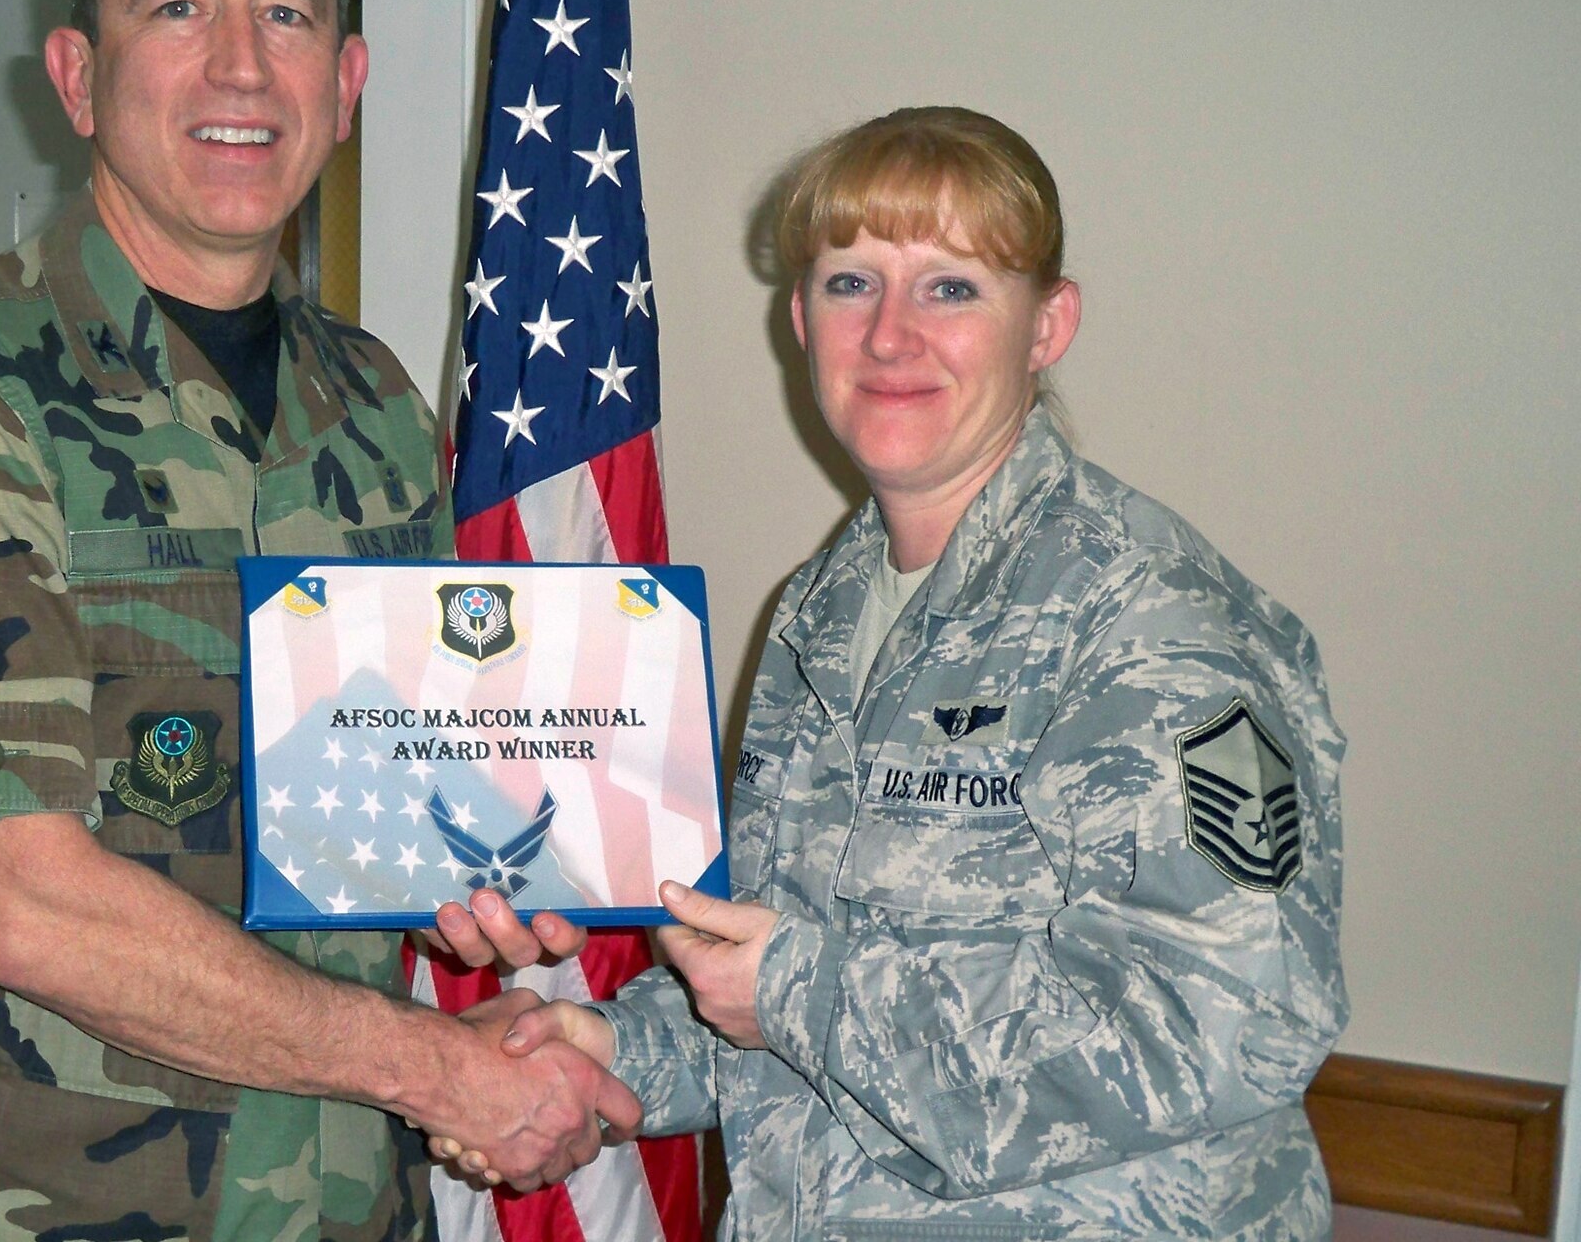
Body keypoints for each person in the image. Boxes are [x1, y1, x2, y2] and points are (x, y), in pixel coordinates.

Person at [0, 0, 633, 1242]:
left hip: (343, 1197)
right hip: (45, 1202)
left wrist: (475, 882)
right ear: (78, 76)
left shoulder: (369, 399)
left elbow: (372, 775)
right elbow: (28, 905)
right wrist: (439, 1068)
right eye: (179, 6)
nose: (243, 66)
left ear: (346, 84)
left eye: (290, 14)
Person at [476, 106, 1349, 1238]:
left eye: (950, 288)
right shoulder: (821, 612)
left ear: (1046, 325)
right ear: (798, 319)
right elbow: (781, 970)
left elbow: (1231, 1017)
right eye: (850, 284)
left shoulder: (1152, 622)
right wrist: (609, 1044)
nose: (889, 336)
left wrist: (797, 990)